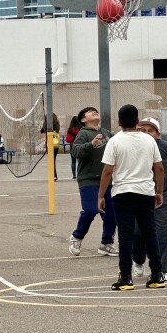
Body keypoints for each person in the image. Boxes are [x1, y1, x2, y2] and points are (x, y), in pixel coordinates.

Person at [97, 104, 165, 290]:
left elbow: (107, 171)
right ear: (137, 121)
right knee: (149, 233)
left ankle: (126, 277)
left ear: (119, 122)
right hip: (145, 191)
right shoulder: (148, 141)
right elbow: (158, 167)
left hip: (123, 192)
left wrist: (101, 194)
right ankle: (157, 274)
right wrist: (159, 191)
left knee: (125, 235)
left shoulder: (115, 141)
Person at [132, 117, 167, 281]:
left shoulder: (164, 147)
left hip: (163, 196)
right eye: (142, 131)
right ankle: (138, 259)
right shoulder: (132, 147)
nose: (146, 133)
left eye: (151, 130)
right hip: (138, 196)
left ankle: (161, 270)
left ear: (158, 134)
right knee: (137, 233)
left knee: (163, 234)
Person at [69, 106, 117, 257]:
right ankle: (77, 236)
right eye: (91, 112)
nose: (95, 112)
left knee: (111, 214)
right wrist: (91, 144)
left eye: (96, 111)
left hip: (107, 179)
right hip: (88, 179)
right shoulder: (83, 134)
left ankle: (106, 243)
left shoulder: (106, 133)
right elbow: (75, 152)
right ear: (83, 119)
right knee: (91, 210)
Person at [41, 113, 61, 181]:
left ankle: (53, 176)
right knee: (53, 160)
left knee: (51, 160)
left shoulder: (46, 125)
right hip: (56, 144)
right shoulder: (57, 124)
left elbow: (42, 131)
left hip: (50, 144)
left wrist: (44, 125)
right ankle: (54, 175)